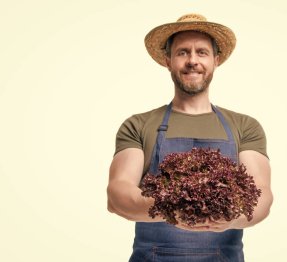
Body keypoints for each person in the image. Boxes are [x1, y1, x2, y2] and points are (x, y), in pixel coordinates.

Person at [107, 13, 273, 262]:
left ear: (215, 61)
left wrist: (227, 218)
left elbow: (262, 196)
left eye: (202, 52)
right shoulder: (139, 125)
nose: (192, 60)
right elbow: (117, 195)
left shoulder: (244, 126)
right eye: (183, 52)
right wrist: (174, 208)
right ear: (168, 60)